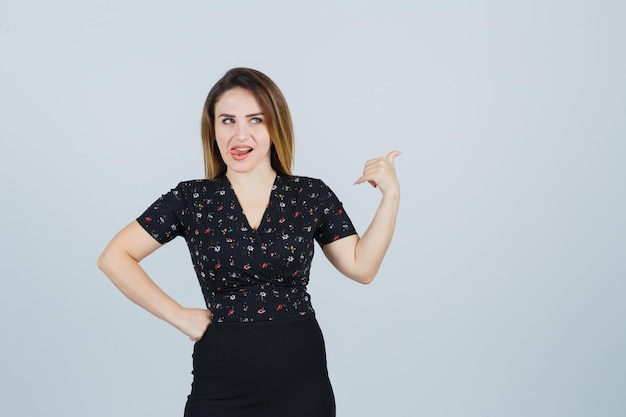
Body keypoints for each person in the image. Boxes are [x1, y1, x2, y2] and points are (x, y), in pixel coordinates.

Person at [97, 67, 400, 416]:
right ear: (212, 129)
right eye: (228, 121)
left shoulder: (310, 194)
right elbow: (115, 256)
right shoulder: (192, 199)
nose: (240, 135)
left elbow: (362, 267)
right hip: (220, 382)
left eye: (256, 120)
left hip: (301, 382)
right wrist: (178, 315)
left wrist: (390, 197)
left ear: (275, 127)